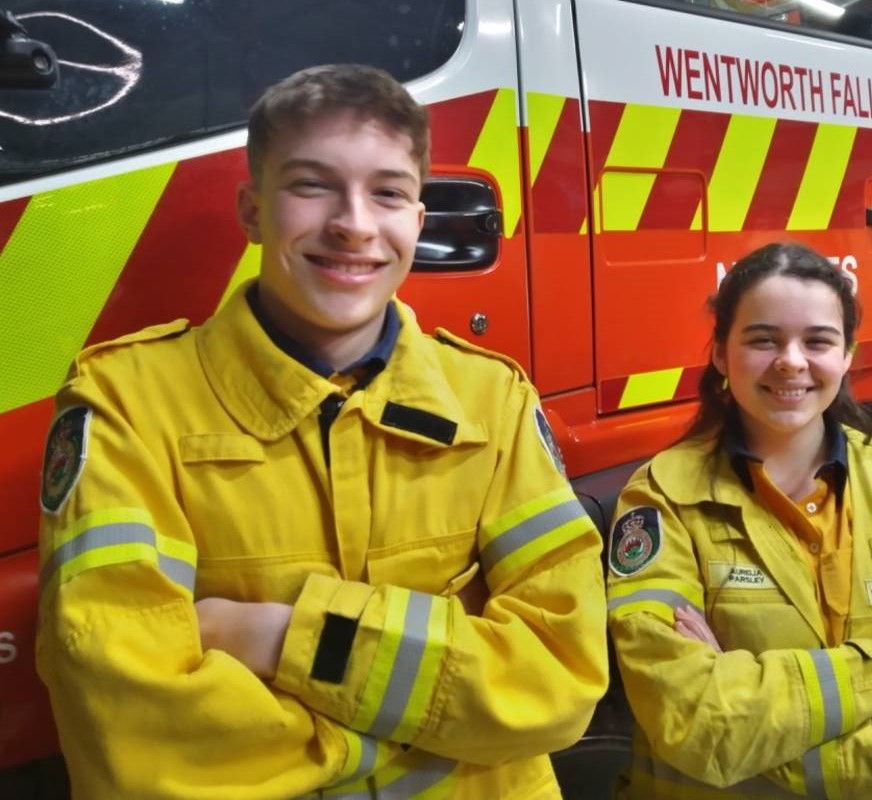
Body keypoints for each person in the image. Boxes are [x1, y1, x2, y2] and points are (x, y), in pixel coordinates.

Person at [36, 64, 608, 799]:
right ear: (252, 209)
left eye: (389, 193)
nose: (355, 224)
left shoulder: (492, 401)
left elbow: (562, 674)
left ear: (418, 223)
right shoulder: (126, 403)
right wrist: (424, 725)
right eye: (312, 185)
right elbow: (125, 716)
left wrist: (275, 635)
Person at [605, 242, 872, 799]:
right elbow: (696, 724)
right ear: (722, 355)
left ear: (847, 355)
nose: (791, 361)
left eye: (818, 341)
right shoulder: (665, 502)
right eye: (763, 339)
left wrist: (759, 723)